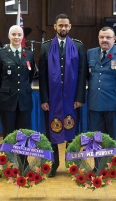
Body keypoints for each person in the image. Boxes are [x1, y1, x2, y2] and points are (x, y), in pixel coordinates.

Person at [39, 13, 87, 177]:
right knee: (50, 131)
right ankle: (52, 165)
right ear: (55, 27)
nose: (63, 28)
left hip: (72, 98)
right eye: (60, 25)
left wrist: (80, 97)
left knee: (72, 132)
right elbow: (43, 77)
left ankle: (72, 164)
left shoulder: (78, 46)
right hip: (52, 99)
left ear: (70, 27)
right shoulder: (45, 47)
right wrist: (44, 99)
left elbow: (82, 74)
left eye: (66, 25)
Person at [87, 26, 116, 157]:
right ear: (98, 38)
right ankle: (98, 167)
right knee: (97, 138)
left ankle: (113, 168)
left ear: (114, 39)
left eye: (108, 37)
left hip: (114, 103)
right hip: (95, 103)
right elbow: (87, 76)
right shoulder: (90, 53)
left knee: (114, 138)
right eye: (102, 37)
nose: (104, 40)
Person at [0, 25, 35, 168]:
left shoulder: (28, 54)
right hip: (7, 100)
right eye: (14, 34)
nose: (16, 37)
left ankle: (23, 161)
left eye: (19, 35)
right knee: (8, 133)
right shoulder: (1, 53)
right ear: (9, 36)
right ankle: (8, 163)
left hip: (24, 100)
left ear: (23, 37)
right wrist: (4, 91)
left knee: (24, 134)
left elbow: (30, 75)